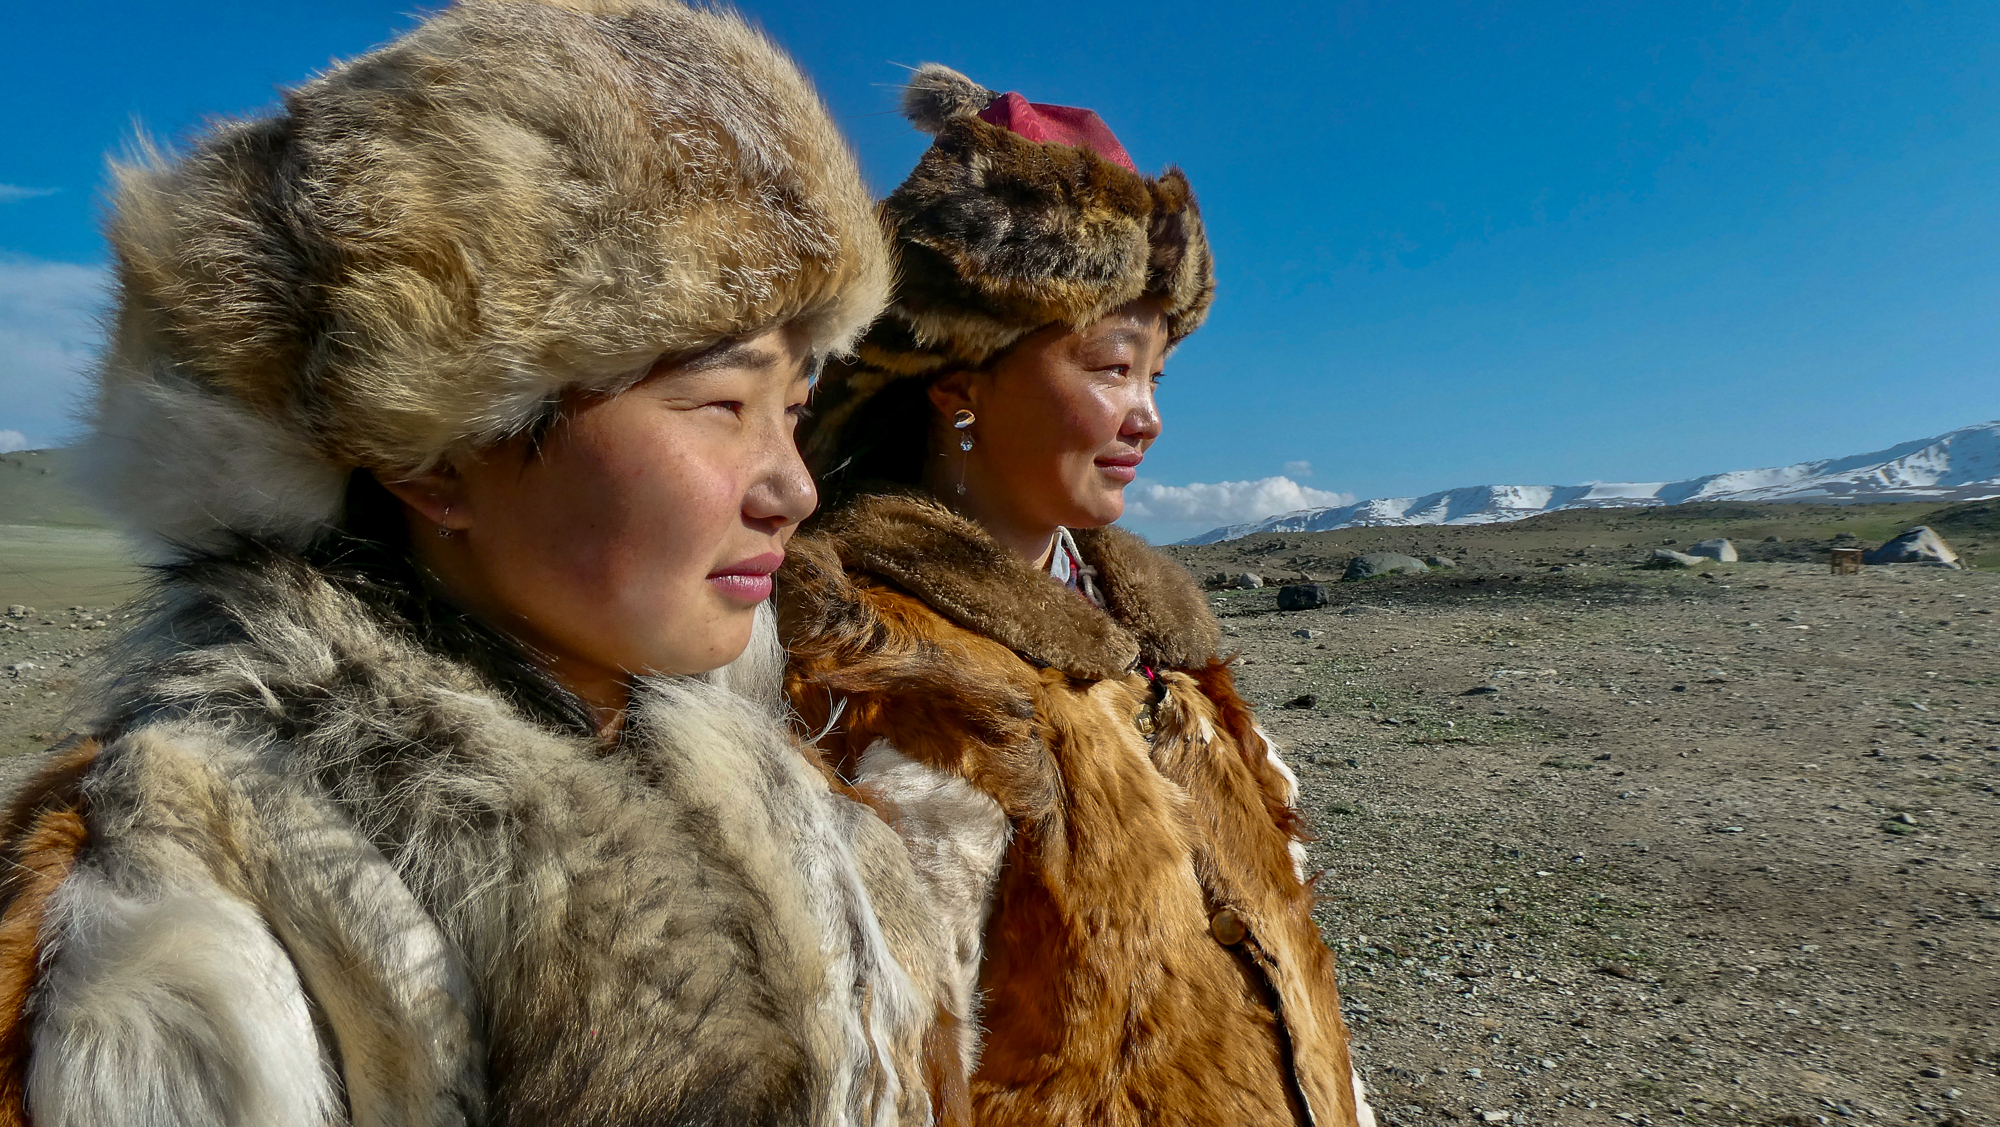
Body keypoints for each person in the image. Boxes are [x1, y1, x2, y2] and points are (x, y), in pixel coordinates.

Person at [0, 4, 972, 1123]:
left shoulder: (803, 810)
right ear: (437, 457)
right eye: (719, 402)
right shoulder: (200, 916)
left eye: (794, 410)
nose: (794, 488)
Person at [778, 66, 1378, 1126]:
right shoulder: (871, 668)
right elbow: (879, 1073)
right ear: (959, 379)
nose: (1145, 416)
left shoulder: (1151, 640)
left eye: (1156, 377)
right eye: (1110, 366)